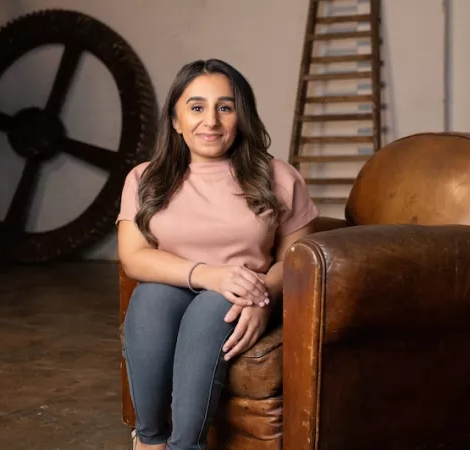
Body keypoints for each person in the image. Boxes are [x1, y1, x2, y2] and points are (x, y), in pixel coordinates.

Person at [116, 58, 319, 450]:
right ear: (175, 120)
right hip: (177, 287)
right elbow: (134, 257)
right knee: (150, 296)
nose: (210, 121)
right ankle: (149, 440)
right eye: (196, 107)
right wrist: (210, 274)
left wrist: (263, 297)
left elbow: (297, 260)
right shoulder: (145, 178)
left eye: (224, 107)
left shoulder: (277, 176)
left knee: (214, 308)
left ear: (240, 116)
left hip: (242, 294)